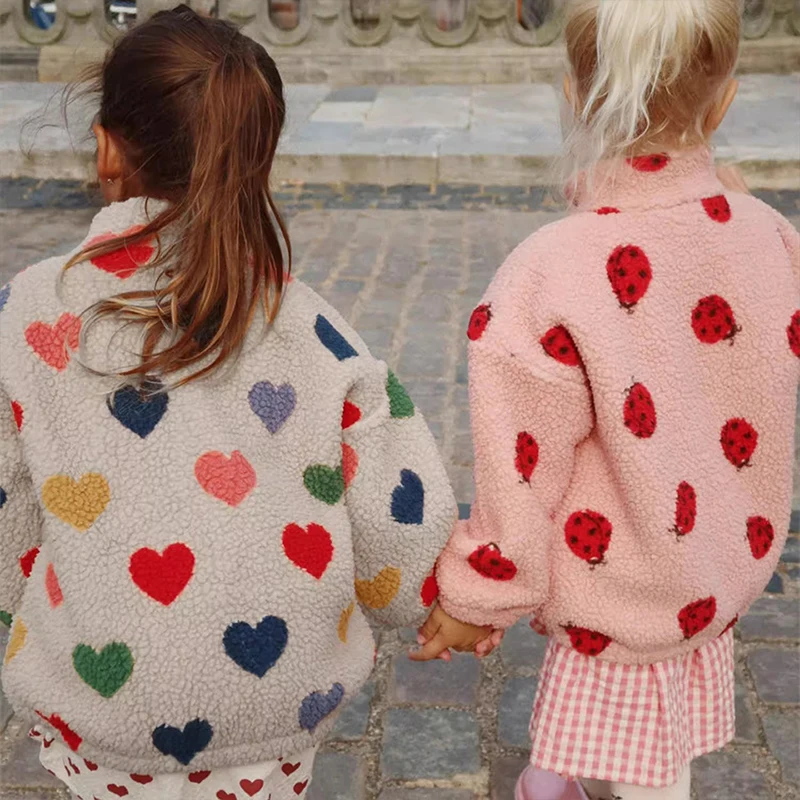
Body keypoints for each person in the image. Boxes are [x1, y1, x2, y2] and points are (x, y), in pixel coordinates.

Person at [0, 7, 476, 798]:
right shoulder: (311, 325)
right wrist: (442, 597)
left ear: (108, 147)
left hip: (106, 707)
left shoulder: (27, 314)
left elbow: (7, 512)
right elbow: (398, 520)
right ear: (256, 158)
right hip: (278, 708)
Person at [413, 2, 800, 799]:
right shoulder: (772, 236)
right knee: (635, 737)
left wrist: (478, 596)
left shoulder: (551, 270)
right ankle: (555, 777)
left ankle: (557, 781)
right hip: (712, 571)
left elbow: (521, 471)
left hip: (623, 590)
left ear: (573, 95)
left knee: (651, 773)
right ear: (725, 101)